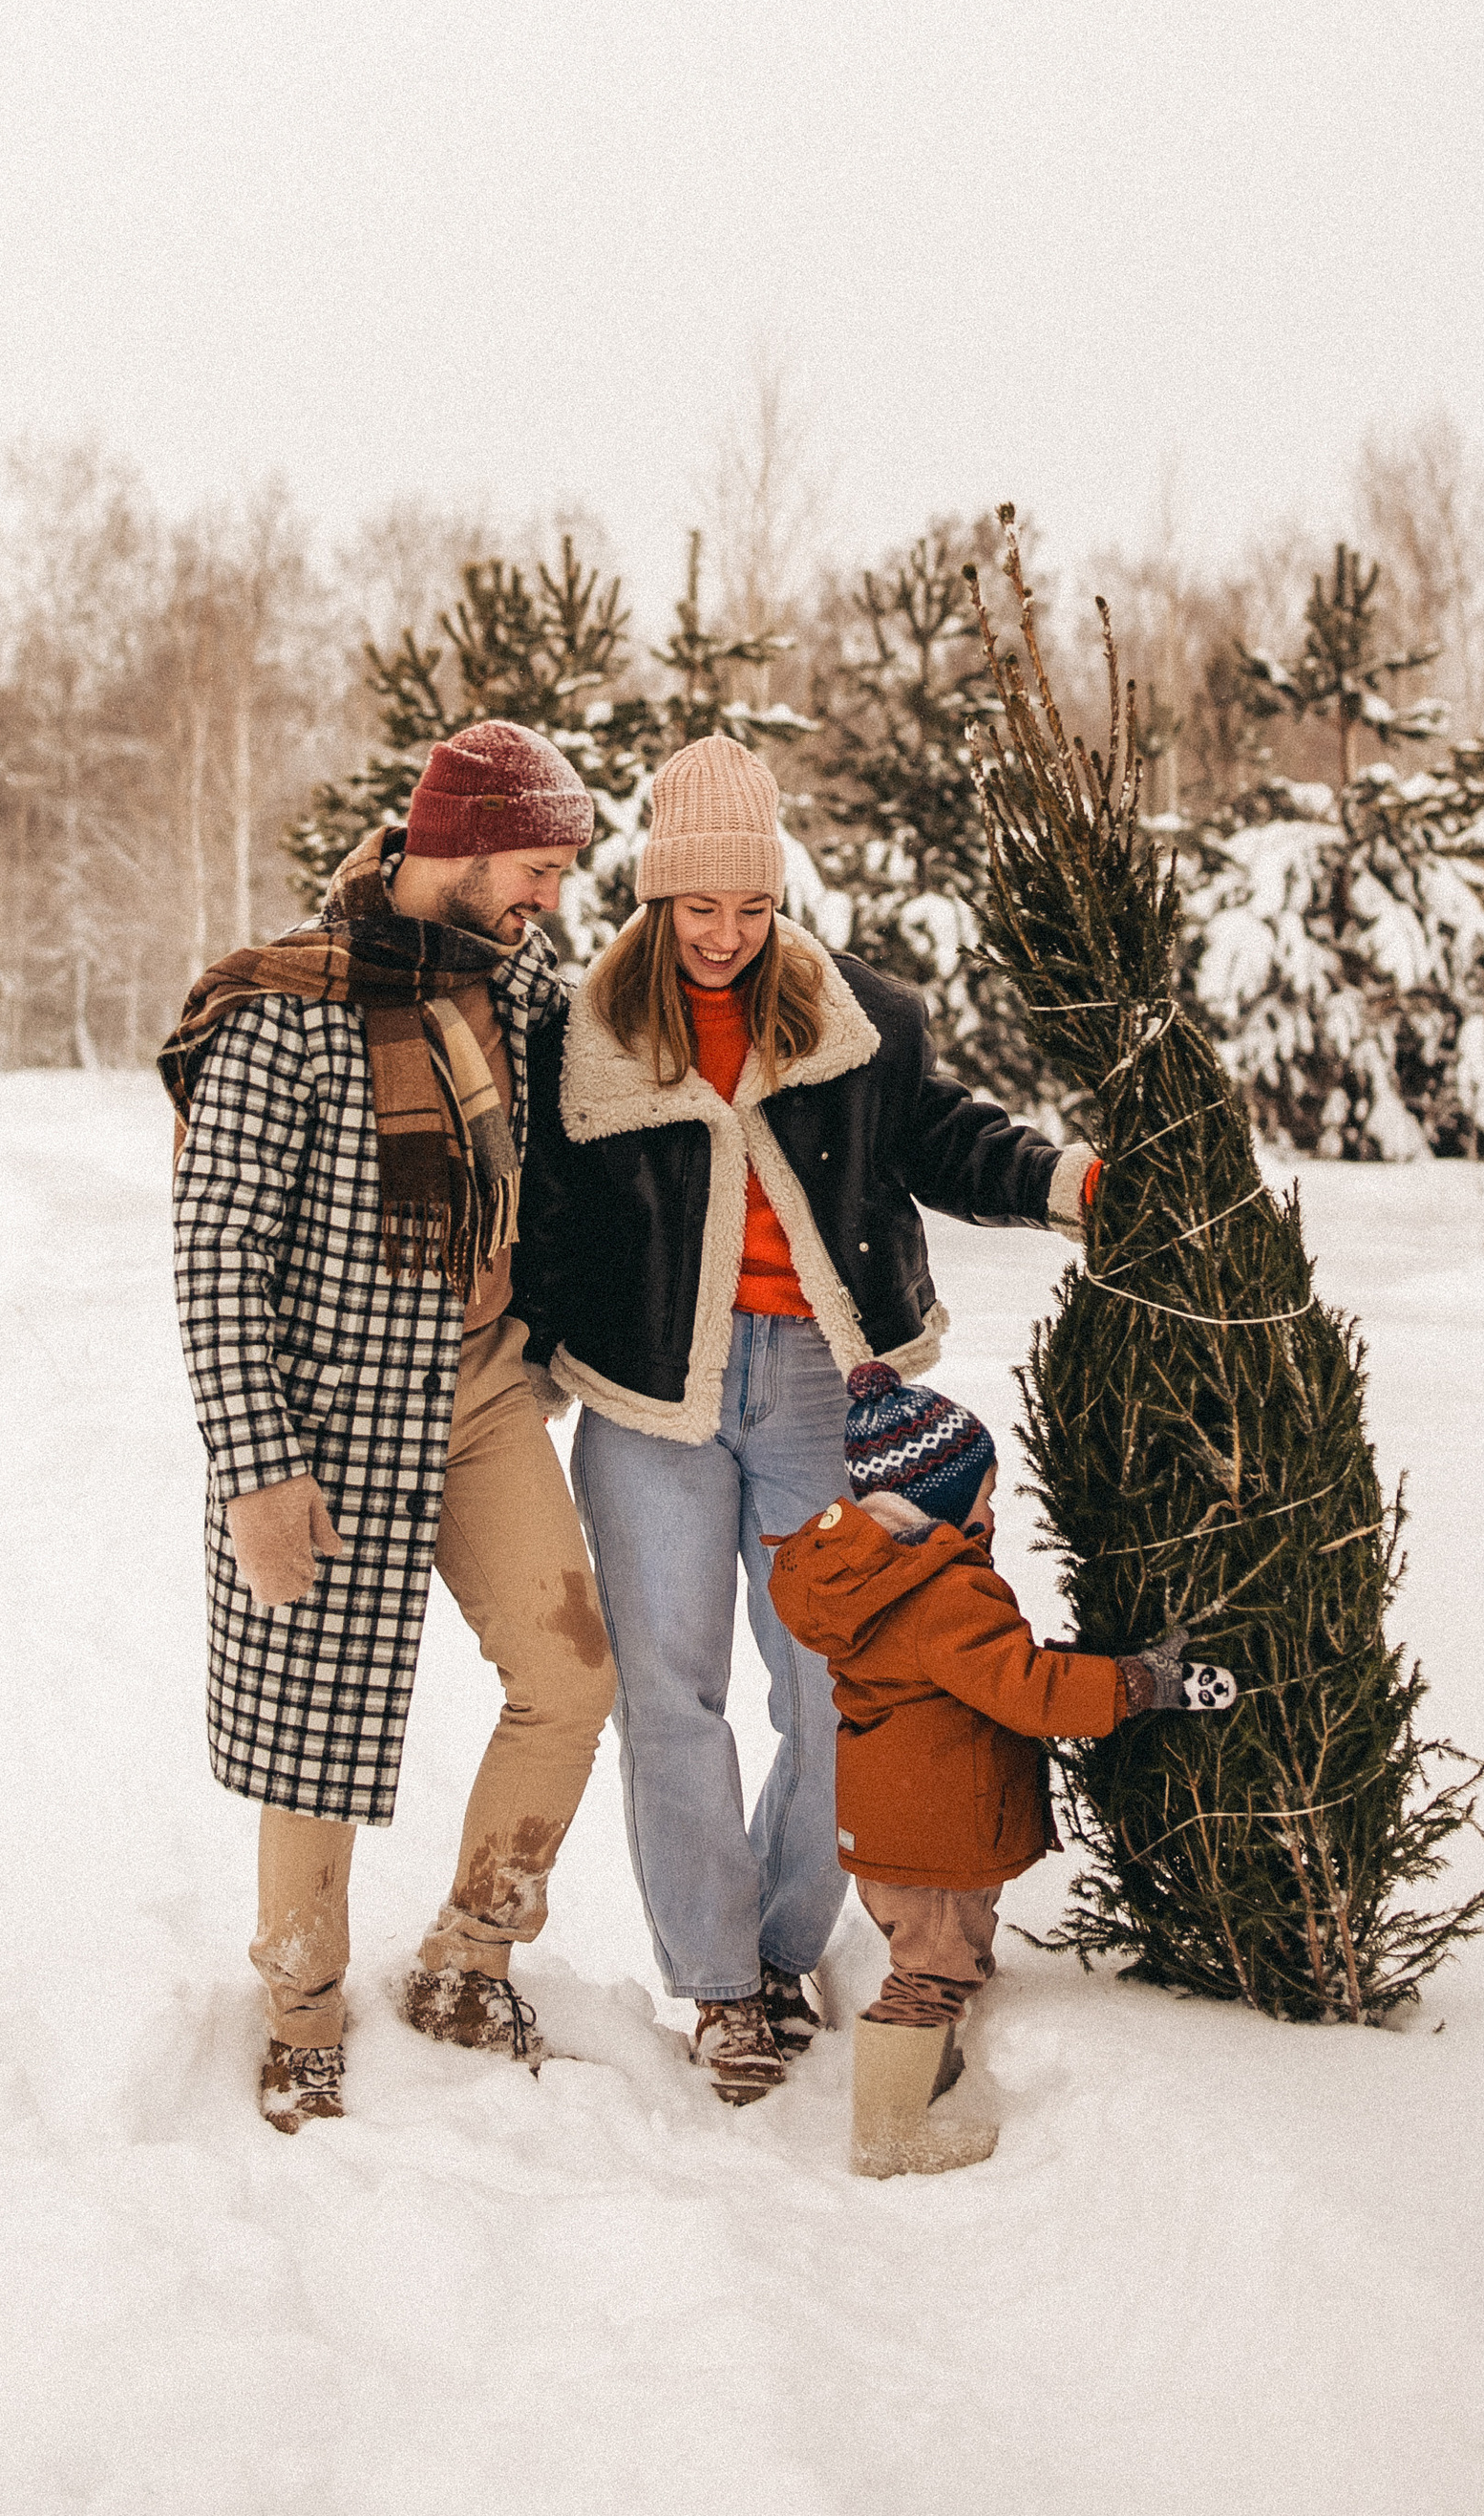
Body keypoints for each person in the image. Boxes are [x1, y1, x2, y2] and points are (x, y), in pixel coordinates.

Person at [515, 732, 1098, 2108]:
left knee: (839, 1688)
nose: (726, 937)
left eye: (753, 907)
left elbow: (949, 1140)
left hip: (822, 1396)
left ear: (782, 900)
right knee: (673, 1700)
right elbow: (543, 1226)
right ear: (656, 901)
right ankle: (719, 1985)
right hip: (651, 1401)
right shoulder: (582, 1034)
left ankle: (784, 1947)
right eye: (699, 908)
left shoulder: (861, 1020)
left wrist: (1073, 1185)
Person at [161, 718, 617, 2133]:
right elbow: (216, 1251)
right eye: (536, 867)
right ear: (462, 849)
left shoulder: (514, 978)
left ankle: (470, 1961)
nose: (551, 897)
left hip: (478, 1392)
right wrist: (259, 1466)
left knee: (571, 1675)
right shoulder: (281, 1011)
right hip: (327, 1418)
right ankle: (300, 2014)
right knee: (314, 1732)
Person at [771, 1362, 1238, 2174]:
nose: (992, 1508)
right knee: (928, 1976)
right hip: (938, 1829)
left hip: (901, 1818)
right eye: (985, 1492)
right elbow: (1028, 1690)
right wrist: (1139, 1682)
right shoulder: (942, 1596)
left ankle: (926, 2079)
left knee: (940, 1958)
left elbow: (984, 1676)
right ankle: (888, 2138)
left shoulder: (872, 1580)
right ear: (943, 1501)